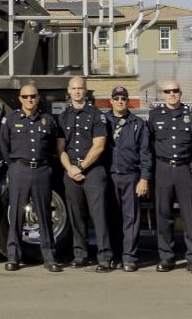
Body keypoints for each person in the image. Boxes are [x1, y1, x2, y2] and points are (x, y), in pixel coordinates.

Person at [0, 83, 61, 272]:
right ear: (20, 98)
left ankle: (49, 257)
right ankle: (13, 257)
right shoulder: (11, 119)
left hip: (41, 170)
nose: (30, 100)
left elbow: (53, 148)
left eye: (33, 96)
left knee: (44, 215)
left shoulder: (48, 120)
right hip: (20, 169)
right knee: (16, 215)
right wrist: (13, 167)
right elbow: (4, 145)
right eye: (25, 97)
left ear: (38, 97)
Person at [57, 76, 112, 272]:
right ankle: (80, 255)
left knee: (99, 215)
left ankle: (105, 257)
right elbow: (60, 148)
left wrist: (81, 168)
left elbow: (99, 146)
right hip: (71, 170)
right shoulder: (63, 117)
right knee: (76, 215)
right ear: (69, 91)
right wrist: (70, 169)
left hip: (93, 170)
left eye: (81, 88)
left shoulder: (97, 115)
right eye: (74, 88)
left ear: (86, 91)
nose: (78, 91)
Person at [148, 80, 192, 273]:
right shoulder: (154, 115)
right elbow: (149, 145)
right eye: (168, 91)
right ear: (162, 94)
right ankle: (166, 258)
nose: (172, 94)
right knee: (163, 216)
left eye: (175, 91)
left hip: (185, 169)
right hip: (162, 169)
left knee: (190, 216)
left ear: (180, 92)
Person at [104, 86, 151, 272]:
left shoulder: (138, 123)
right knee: (112, 218)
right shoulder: (103, 121)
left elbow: (145, 153)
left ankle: (129, 257)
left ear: (127, 100)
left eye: (123, 98)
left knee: (131, 218)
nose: (120, 101)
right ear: (111, 101)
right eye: (116, 98)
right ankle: (115, 254)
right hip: (109, 176)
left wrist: (144, 179)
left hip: (131, 176)